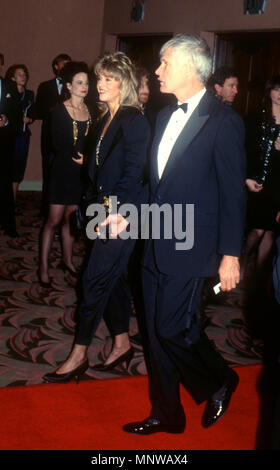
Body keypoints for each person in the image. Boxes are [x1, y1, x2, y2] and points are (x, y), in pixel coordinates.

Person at [114, 34, 245, 434]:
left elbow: (232, 194)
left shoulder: (224, 121)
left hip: (194, 246)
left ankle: (220, 379)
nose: (157, 71)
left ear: (189, 68)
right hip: (155, 240)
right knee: (155, 335)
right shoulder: (164, 116)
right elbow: (154, 184)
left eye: (164, 63)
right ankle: (167, 414)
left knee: (174, 328)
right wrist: (126, 214)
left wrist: (231, 254)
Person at [42, 52, 150, 381]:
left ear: (124, 84)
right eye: (98, 78)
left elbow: (134, 175)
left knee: (91, 282)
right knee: (113, 280)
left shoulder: (134, 120)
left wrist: (116, 213)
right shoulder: (106, 116)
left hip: (121, 215)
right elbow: (103, 163)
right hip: (100, 208)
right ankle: (121, 343)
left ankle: (79, 355)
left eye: (107, 79)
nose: (99, 84)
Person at [38, 61, 92, 287]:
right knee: (54, 220)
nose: (84, 87)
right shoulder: (60, 110)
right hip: (62, 171)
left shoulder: (92, 110)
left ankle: (67, 261)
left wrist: (88, 162)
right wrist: (81, 158)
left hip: (81, 174)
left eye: (86, 82)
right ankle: (42, 266)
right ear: (68, 86)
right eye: (79, 83)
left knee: (71, 219)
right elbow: (58, 144)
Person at [242, 76, 280, 346]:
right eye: (277, 89)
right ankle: (242, 260)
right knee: (256, 229)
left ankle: (260, 273)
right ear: (270, 91)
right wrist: (247, 176)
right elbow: (244, 150)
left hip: (278, 183)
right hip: (257, 180)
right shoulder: (257, 116)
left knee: (269, 231)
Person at [35, 53, 71, 217]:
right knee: (48, 173)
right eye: (63, 64)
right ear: (56, 66)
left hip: (68, 138)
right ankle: (46, 212)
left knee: (64, 176)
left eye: (68, 65)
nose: (66, 68)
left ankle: (63, 213)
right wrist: (51, 110)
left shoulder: (73, 86)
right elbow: (38, 110)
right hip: (49, 137)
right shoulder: (44, 86)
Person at [5, 64, 35, 203]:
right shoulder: (6, 94)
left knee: (17, 170)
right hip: (6, 136)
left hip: (22, 136)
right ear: (12, 77)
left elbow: (33, 114)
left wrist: (29, 119)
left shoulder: (29, 95)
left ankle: (12, 203)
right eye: (19, 74)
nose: (23, 77)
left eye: (25, 74)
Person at [0, 53, 21, 237]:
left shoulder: (9, 86)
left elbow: (17, 113)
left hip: (4, 142)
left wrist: (6, 120)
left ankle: (8, 224)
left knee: (5, 183)